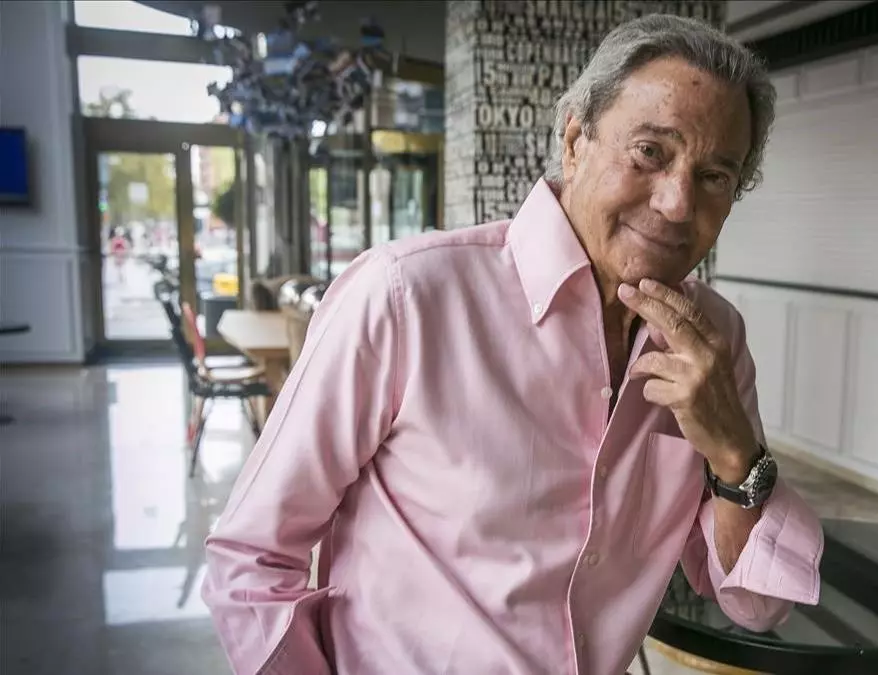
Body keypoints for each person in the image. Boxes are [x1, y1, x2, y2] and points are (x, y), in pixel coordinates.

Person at [202, 14, 823, 675]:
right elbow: (251, 558)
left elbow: (756, 604)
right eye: (650, 151)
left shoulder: (714, 340)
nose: (676, 202)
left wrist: (735, 455)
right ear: (576, 140)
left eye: (715, 176)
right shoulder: (406, 297)